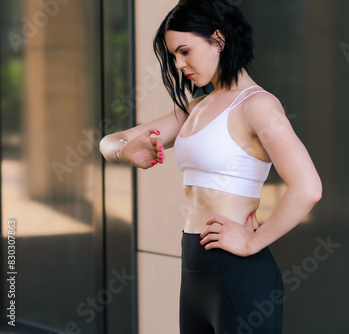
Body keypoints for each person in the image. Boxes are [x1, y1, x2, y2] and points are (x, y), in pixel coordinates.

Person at [99, 0, 322, 332]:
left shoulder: (257, 105)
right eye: (174, 55)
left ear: (218, 39)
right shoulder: (196, 107)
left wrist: (251, 243)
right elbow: (109, 141)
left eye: (185, 51)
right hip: (193, 266)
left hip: (239, 272)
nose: (178, 64)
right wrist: (124, 151)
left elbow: (308, 188)